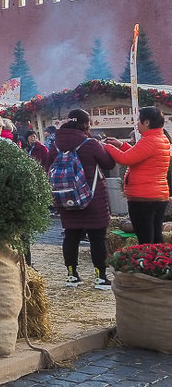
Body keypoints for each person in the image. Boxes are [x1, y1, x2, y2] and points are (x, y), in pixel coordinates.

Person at [44, 109, 115, 289]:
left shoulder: (56, 144)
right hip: (92, 197)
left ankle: (72, 276)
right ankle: (100, 277)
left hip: (66, 196)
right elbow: (108, 164)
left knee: (71, 235)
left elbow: (47, 165)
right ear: (86, 123)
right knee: (97, 237)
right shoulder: (90, 143)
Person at [103, 106, 171, 245]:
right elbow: (137, 155)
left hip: (143, 197)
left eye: (139, 120)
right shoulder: (159, 138)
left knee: (145, 238)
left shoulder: (150, 140)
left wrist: (106, 147)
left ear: (147, 122)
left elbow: (125, 159)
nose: (137, 124)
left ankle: (148, 265)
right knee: (156, 236)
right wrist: (120, 144)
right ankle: (160, 263)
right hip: (157, 195)